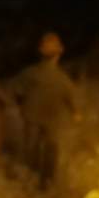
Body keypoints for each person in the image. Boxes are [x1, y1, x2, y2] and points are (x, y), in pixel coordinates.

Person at [14, 31, 79, 189]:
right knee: (51, 148)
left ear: (40, 54)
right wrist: (76, 113)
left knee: (31, 145)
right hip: (52, 118)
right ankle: (47, 180)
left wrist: (21, 104)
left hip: (31, 115)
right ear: (58, 55)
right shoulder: (63, 79)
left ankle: (31, 171)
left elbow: (18, 91)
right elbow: (70, 98)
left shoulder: (30, 73)